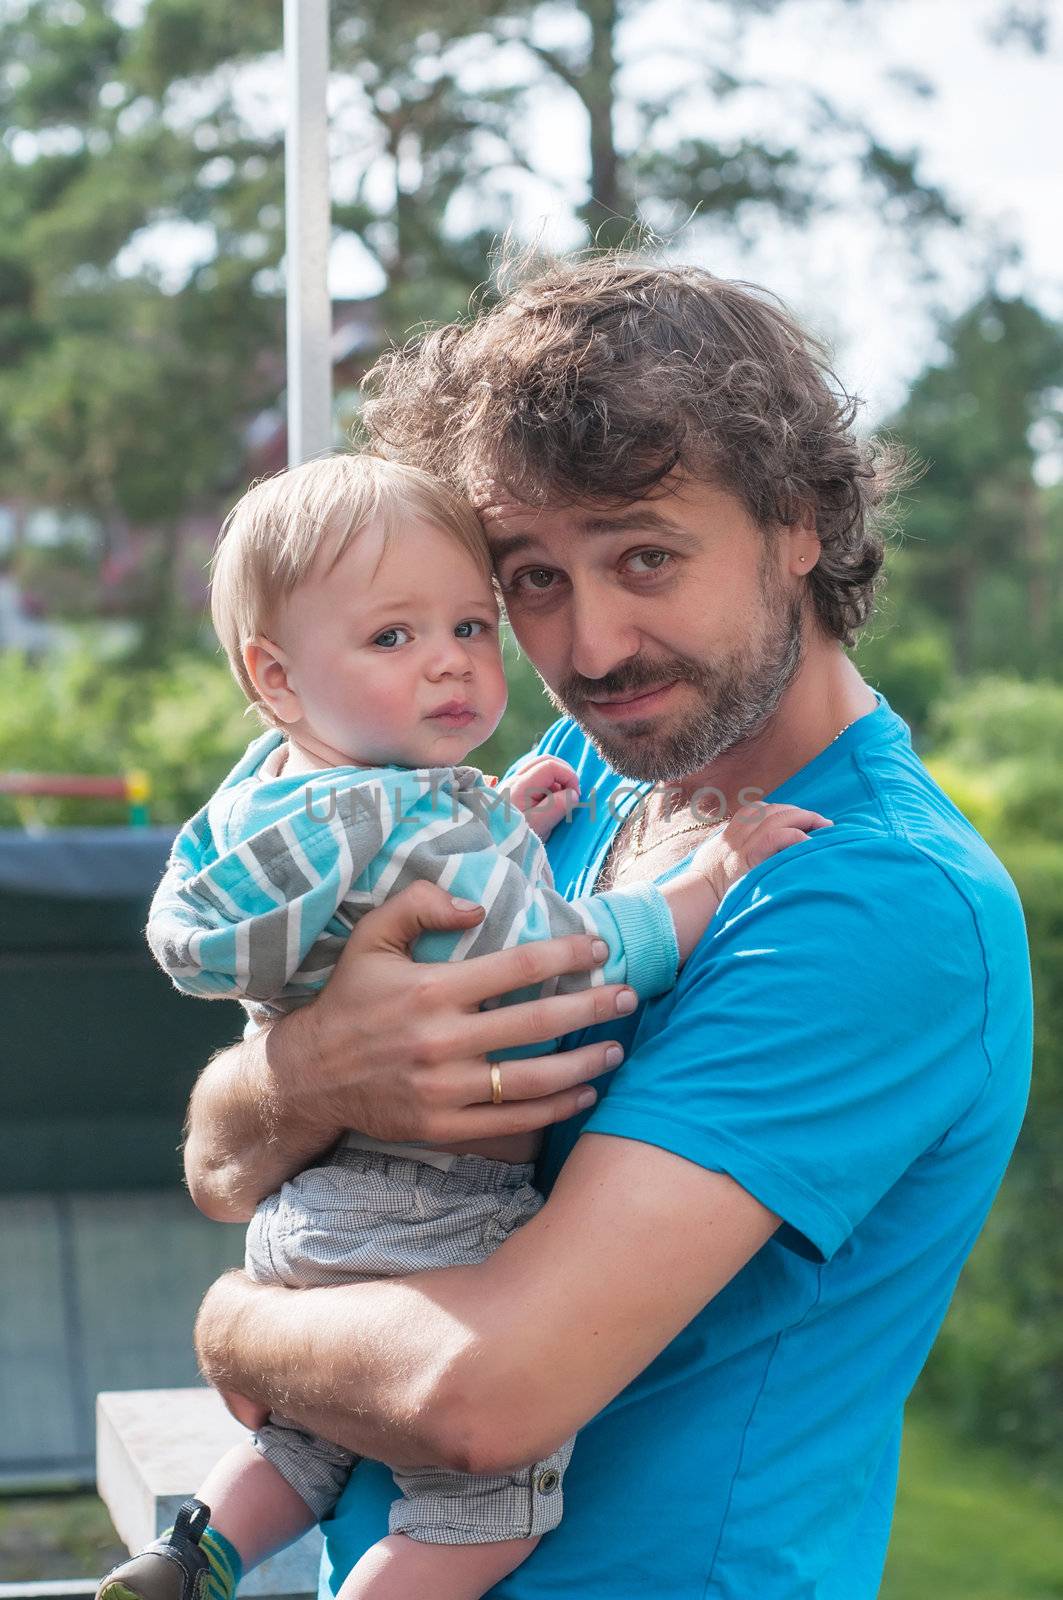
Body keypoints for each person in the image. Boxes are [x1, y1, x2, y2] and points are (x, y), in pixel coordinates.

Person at [183, 255, 1033, 1599]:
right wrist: (307, 1071)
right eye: (529, 578)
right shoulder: (561, 790)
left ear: (797, 521)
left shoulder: (878, 901)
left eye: (644, 555)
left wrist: (237, 1329)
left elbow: (481, 1398)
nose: (586, 649)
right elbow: (220, 1165)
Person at [98, 453, 820, 1600]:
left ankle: (192, 1555)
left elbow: (381, 893)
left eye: (470, 627)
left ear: (800, 534)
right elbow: (549, 967)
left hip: (307, 1223)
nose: (450, 660)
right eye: (393, 639)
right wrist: (699, 888)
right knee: (484, 1513)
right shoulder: (460, 811)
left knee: (298, 1444)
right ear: (277, 677)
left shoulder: (270, 806)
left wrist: (495, 816)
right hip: (437, 1212)